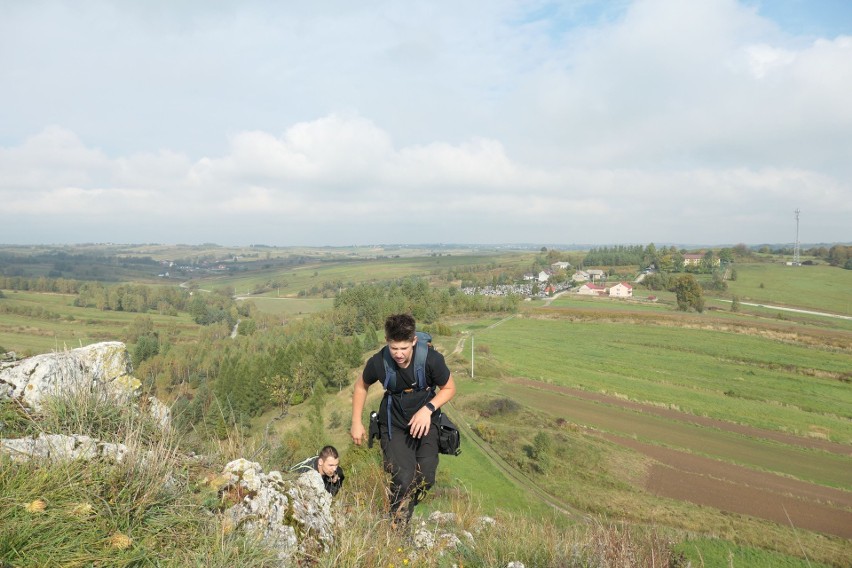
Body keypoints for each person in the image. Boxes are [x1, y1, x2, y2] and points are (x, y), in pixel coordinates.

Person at [350, 313, 456, 526]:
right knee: (403, 474)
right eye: (394, 348)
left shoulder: (431, 360)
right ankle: (398, 525)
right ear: (387, 342)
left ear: (414, 341)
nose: (398, 354)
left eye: (404, 348)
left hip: (427, 422)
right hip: (394, 424)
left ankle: (405, 503)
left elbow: (449, 388)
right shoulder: (379, 362)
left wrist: (427, 409)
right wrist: (356, 421)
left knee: (426, 475)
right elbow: (361, 386)